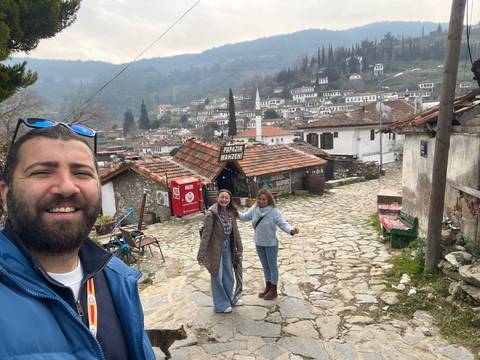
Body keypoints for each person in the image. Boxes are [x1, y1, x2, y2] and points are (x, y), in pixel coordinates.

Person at [0, 120, 155, 359]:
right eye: (42, 172)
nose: (66, 187)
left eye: (81, 173)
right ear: (5, 193)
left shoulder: (120, 281)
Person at [238, 188, 299, 300]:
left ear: (269, 200)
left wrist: (291, 230)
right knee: (265, 266)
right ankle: (268, 287)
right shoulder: (255, 209)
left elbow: (283, 224)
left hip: (271, 243)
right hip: (259, 242)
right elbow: (245, 217)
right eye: (260, 199)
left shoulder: (274, 211)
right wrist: (234, 211)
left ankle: (274, 290)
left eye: (264, 199)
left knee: (272, 267)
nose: (262, 201)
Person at [197, 189, 243, 313]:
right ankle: (221, 305)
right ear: (218, 198)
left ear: (229, 200)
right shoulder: (211, 214)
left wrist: (240, 247)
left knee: (229, 273)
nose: (224, 200)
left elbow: (236, 231)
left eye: (226, 198)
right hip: (215, 248)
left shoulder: (231, 212)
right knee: (217, 274)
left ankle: (231, 298)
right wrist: (201, 254)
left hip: (228, 246)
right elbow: (206, 235)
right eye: (222, 197)